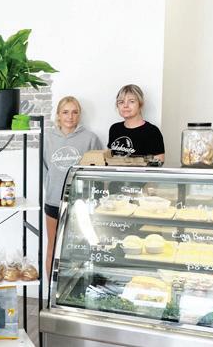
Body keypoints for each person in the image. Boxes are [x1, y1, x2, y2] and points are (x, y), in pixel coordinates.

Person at [43, 96, 103, 278]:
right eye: (65, 112)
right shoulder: (47, 138)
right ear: (58, 115)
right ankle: (51, 290)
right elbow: (44, 169)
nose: (70, 116)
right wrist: (51, 188)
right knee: (53, 246)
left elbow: (98, 171)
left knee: (79, 248)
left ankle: (75, 289)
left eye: (74, 112)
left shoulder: (90, 139)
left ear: (79, 115)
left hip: (80, 203)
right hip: (54, 201)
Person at [107, 84, 165, 162]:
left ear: (140, 104)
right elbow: (109, 159)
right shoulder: (115, 129)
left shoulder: (152, 131)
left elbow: (159, 163)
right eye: (121, 102)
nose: (125, 105)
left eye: (131, 101)